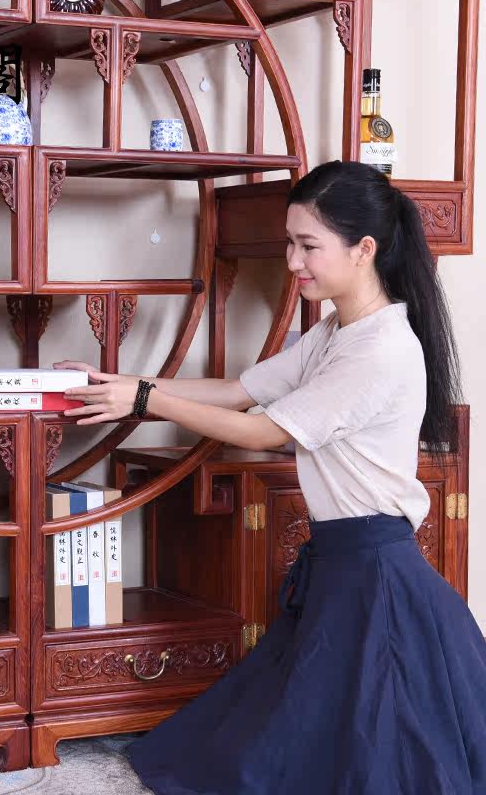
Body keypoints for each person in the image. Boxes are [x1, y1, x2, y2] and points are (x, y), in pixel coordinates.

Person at [54, 160, 486, 794]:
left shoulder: (381, 349)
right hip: (343, 560)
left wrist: (144, 401)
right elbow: (240, 391)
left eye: (308, 245)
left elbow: (264, 431)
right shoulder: (338, 330)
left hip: (375, 571)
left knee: (379, 745)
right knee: (301, 728)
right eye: (290, 243)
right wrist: (119, 383)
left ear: (364, 249)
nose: (292, 261)